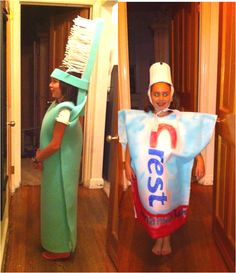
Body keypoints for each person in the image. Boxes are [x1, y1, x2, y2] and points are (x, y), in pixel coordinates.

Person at [119, 62, 216, 256]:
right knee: (154, 202)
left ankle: (167, 237)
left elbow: (190, 139)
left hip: (172, 172)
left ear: (171, 95)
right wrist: (126, 163)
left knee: (168, 202)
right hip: (150, 172)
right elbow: (131, 139)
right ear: (150, 95)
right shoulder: (141, 119)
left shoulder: (179, 118)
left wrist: (201, 159)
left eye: (165, 94)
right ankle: (157, 236)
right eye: (157, 94)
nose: (161, 98)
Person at [32, 67, 82, 260]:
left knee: (58, 204)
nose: (50, 85)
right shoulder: (57, 105)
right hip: (53, 165)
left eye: (55, 82)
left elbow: (55, 144)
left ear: (66, 86)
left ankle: (61, 247)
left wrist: (39, 157)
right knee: (51, 204)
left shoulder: (65, 111)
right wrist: (40, 154)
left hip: (60, 169)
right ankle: (53, 241)